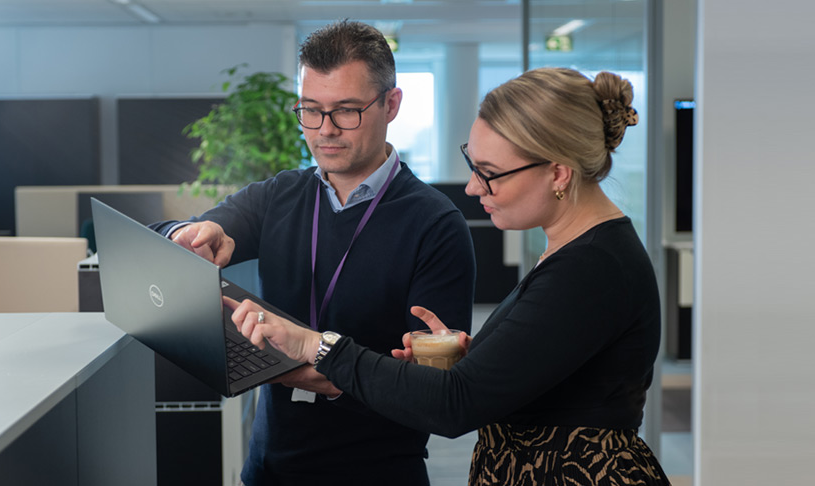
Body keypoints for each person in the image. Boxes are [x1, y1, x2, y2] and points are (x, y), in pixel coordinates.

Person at [224, 67, 671, 485]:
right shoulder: (574, 252)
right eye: (473, 165)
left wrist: (313, 344)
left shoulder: (591, 269)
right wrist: (471, 360)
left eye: (489, 174)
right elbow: (547, 372)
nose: (474, 187)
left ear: (558, 172)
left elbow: (456, 405)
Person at [151, 20, 476, 486]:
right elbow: (171, 233)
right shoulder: (281, 194)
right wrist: (194, 233)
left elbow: (432, 394)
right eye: (310, 110)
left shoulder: (436, 225)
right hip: (269, 468)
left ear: (391, 104)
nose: (325, 131)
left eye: (346, 111)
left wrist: (310, 364)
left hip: (375, 473)